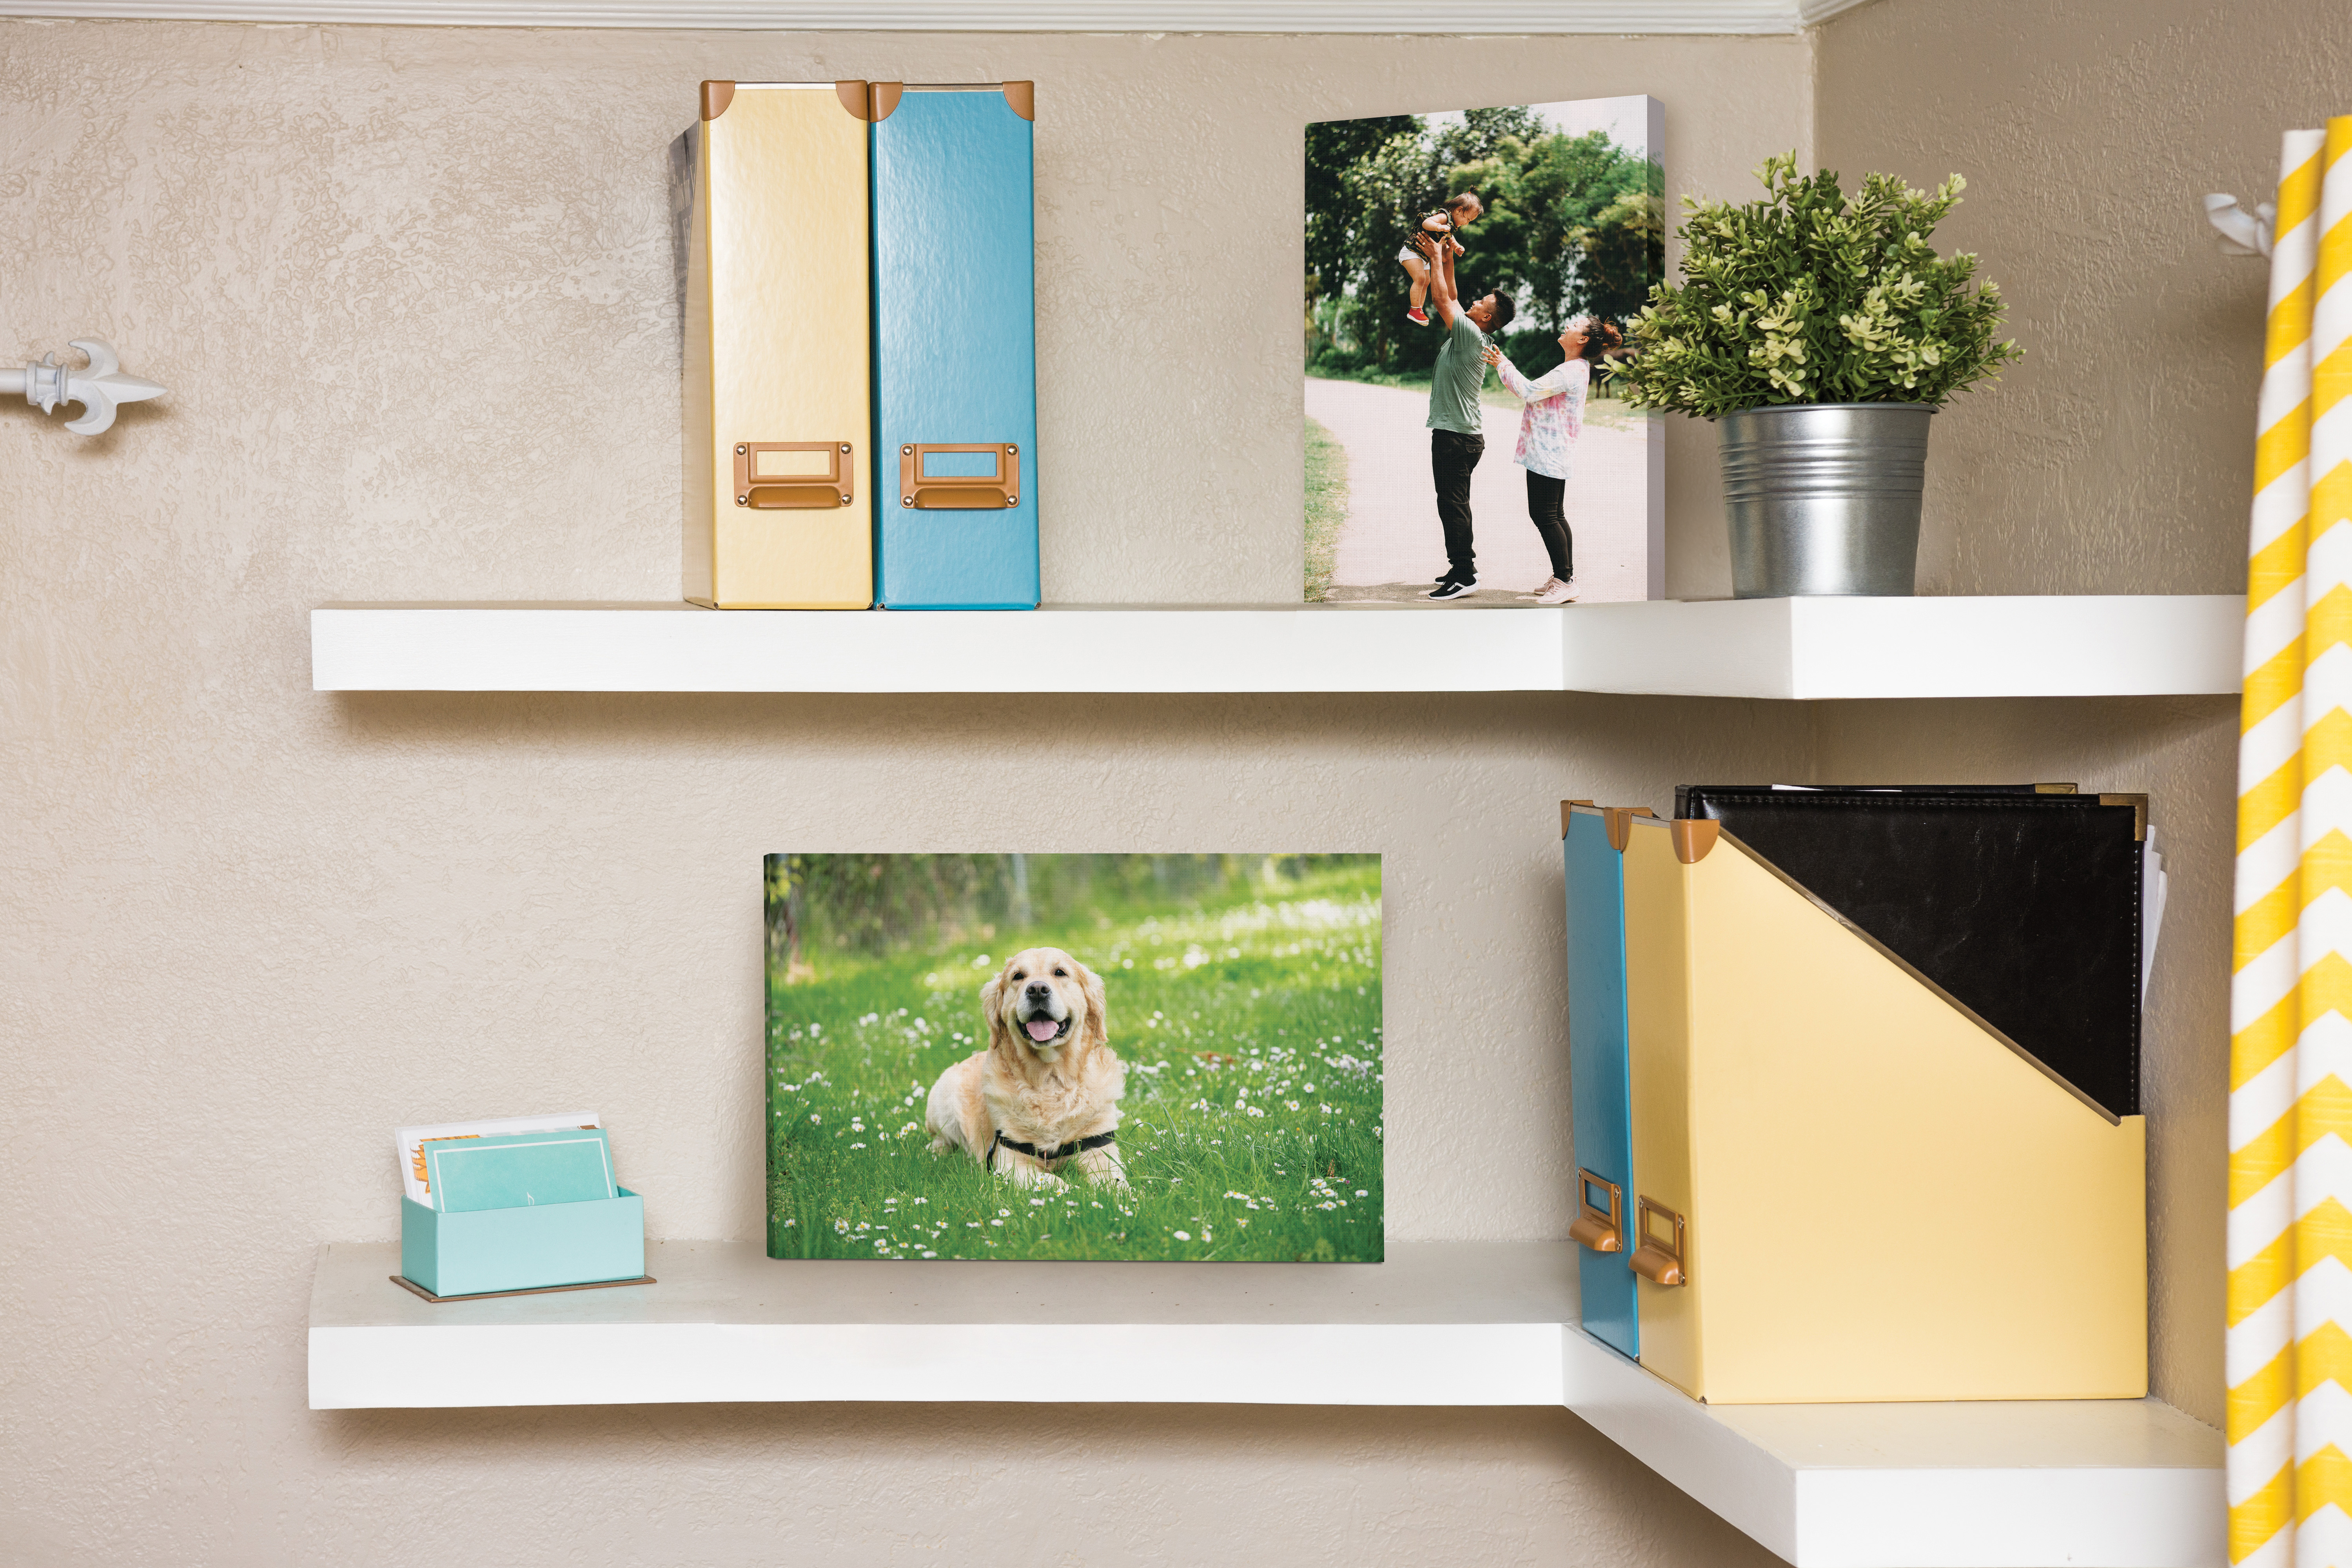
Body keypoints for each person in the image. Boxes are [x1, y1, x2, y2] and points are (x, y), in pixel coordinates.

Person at [1482, 317, 1622, 604]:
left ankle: (1565, 580)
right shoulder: (1577, 367)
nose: (1569, 326)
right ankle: (1564, 577)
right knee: (1554, 514)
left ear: (1583, 340)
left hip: (1548, 452)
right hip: (1552, 451)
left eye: (1576, 325)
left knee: (1545, 515)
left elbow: (1530, 392)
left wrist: (1503, 365)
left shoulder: (1572, 370)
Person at [1416, 230, 1516, 601]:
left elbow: (1442, 297)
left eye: (1482, 301)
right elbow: (1454, 295)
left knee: (1452, 504)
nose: (1473, 301)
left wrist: (1435, 260)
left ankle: (1465, 573)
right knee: (1453, 503)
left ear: (1486, 316)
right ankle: (1460, 565)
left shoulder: (1471, 334)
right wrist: (1446, 252)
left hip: (1456, 437)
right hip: (1459, 436)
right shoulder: (1473, 332)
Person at [1397, 193, 1481, 327]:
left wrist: (1456, 246)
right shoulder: (1444, 217)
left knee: (1427, 281)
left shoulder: (1452, 225)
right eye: (1468, 219)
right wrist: (1439, 227)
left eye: (1470, 222)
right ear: (1459, 210)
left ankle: (1419, 309)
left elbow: (1449, 237)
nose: (1467, 223)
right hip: (1411, 252)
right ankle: (1414, 309)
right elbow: (1426, 223)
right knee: (1420, 279)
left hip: (1423, 257)